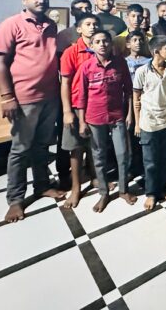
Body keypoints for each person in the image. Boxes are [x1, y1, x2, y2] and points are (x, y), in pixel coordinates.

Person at [0, 0, 65, 223]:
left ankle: (42, 186)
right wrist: (7, 97)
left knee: (42, 145)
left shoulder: (51, 25)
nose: (41, 1)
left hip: (50, 96)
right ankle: (15, 200)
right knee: (20, 149)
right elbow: (0, 63)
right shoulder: (11, 25)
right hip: (23, 98)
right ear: (24, 0)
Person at [75, 30, 136, 213]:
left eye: (105, 41)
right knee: (99, 156)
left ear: (111, 44)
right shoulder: (86, 67)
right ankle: (103, 193)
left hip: (117, 116)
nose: (102, 44)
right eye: (98, 42)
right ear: (92, 46)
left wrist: (129, 114)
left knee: (122, 154)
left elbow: (129, 90)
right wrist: (82, 122)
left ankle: (124, 190)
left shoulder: (120, 63)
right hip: (94, 118)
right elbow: (81, 97)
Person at [58, 13, 100, 208]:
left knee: (95, 145)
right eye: (88, 24)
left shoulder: (102, 49)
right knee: (76, 149)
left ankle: (95, 177)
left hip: (97, 105)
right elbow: (65, 83)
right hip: (76, 106)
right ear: (79, 29)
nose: (92, 27)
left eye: (95, 24)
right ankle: (76, 188)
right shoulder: (71, 52)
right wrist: (67, 111)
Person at [132, 36, 166, 210]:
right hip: (148, 123)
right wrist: (137, 123)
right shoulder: (142, 71)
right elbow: (136, 98)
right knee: (150, 161)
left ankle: (162, 190)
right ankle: (151, 194)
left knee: (165, 158)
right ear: (156, 51)